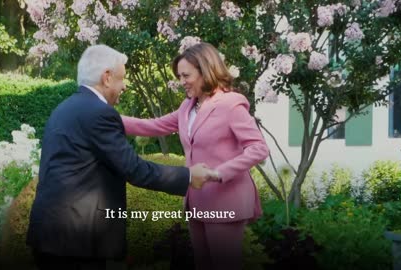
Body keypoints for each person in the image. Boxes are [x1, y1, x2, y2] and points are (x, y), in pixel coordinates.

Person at [26, 44, 217, 270]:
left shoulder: (67, 107)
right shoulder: (99, 113)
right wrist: (187, 176)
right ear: (107, 77)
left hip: (51, 235)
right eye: (122, 78)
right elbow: (134, 168)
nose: (124, 85)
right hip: (76, 242)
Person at [121, 42, 270, 270]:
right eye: (179, 76)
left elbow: (259, 148)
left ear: (205, 70)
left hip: (225, 200)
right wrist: (106, 117)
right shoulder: (187, 107)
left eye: (186, 75)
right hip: (197, 201)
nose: (182, 81)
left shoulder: (231, 104)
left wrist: (220, 173)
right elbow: (152, 125)